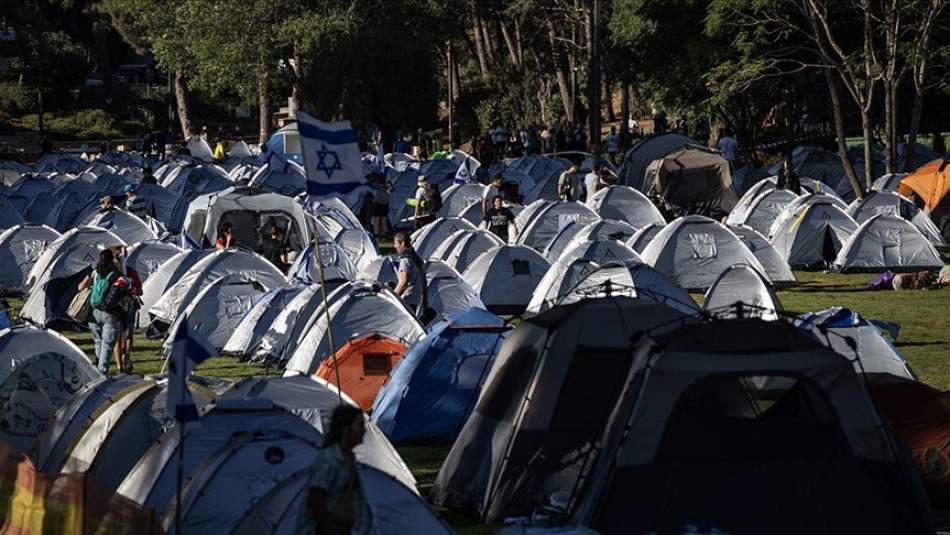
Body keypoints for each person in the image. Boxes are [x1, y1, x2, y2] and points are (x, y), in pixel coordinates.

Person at [298, 405, 372, 535]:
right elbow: (315, 500)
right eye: (360, 425)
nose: (364, 430)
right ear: (345, 429)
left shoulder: (348, 458)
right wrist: (330, 528)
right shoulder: (329, 459)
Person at [78, 249, 124, 373]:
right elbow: (125, 285)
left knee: (98, 342)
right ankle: (102, 371)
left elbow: (80, 287)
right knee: (107, 345)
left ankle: (97, 371)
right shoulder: (115, 274)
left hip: (93, 312)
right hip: (110, 312)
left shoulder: (94, 272)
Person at [112, 246, 141, 373]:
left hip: (129, 305)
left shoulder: (131, 272)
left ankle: (127, 356)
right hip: (116, 308)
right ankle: (120, 366)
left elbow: (140, 290)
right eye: (117, 257)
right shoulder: (111, 273)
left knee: (128, 334)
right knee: (118, 337)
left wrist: (134, 289)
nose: (119, 260)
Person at [392, 232, 430, 322]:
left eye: (396, 243)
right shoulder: (417, 260)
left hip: (406, 299)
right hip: (415, 299)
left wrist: (393, 297)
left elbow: (404, 282)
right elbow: (424, 282)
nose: (394, 246)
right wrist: (425, 303)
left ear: (403, 243)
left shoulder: (405, 260)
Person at [370, 173, 390, 238]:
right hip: (385, 205)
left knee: (376, 221)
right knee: (384, 221)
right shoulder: (386, 187)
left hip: (377, 205)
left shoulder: (374, 187)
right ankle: (385, 234)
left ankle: (376, 235)